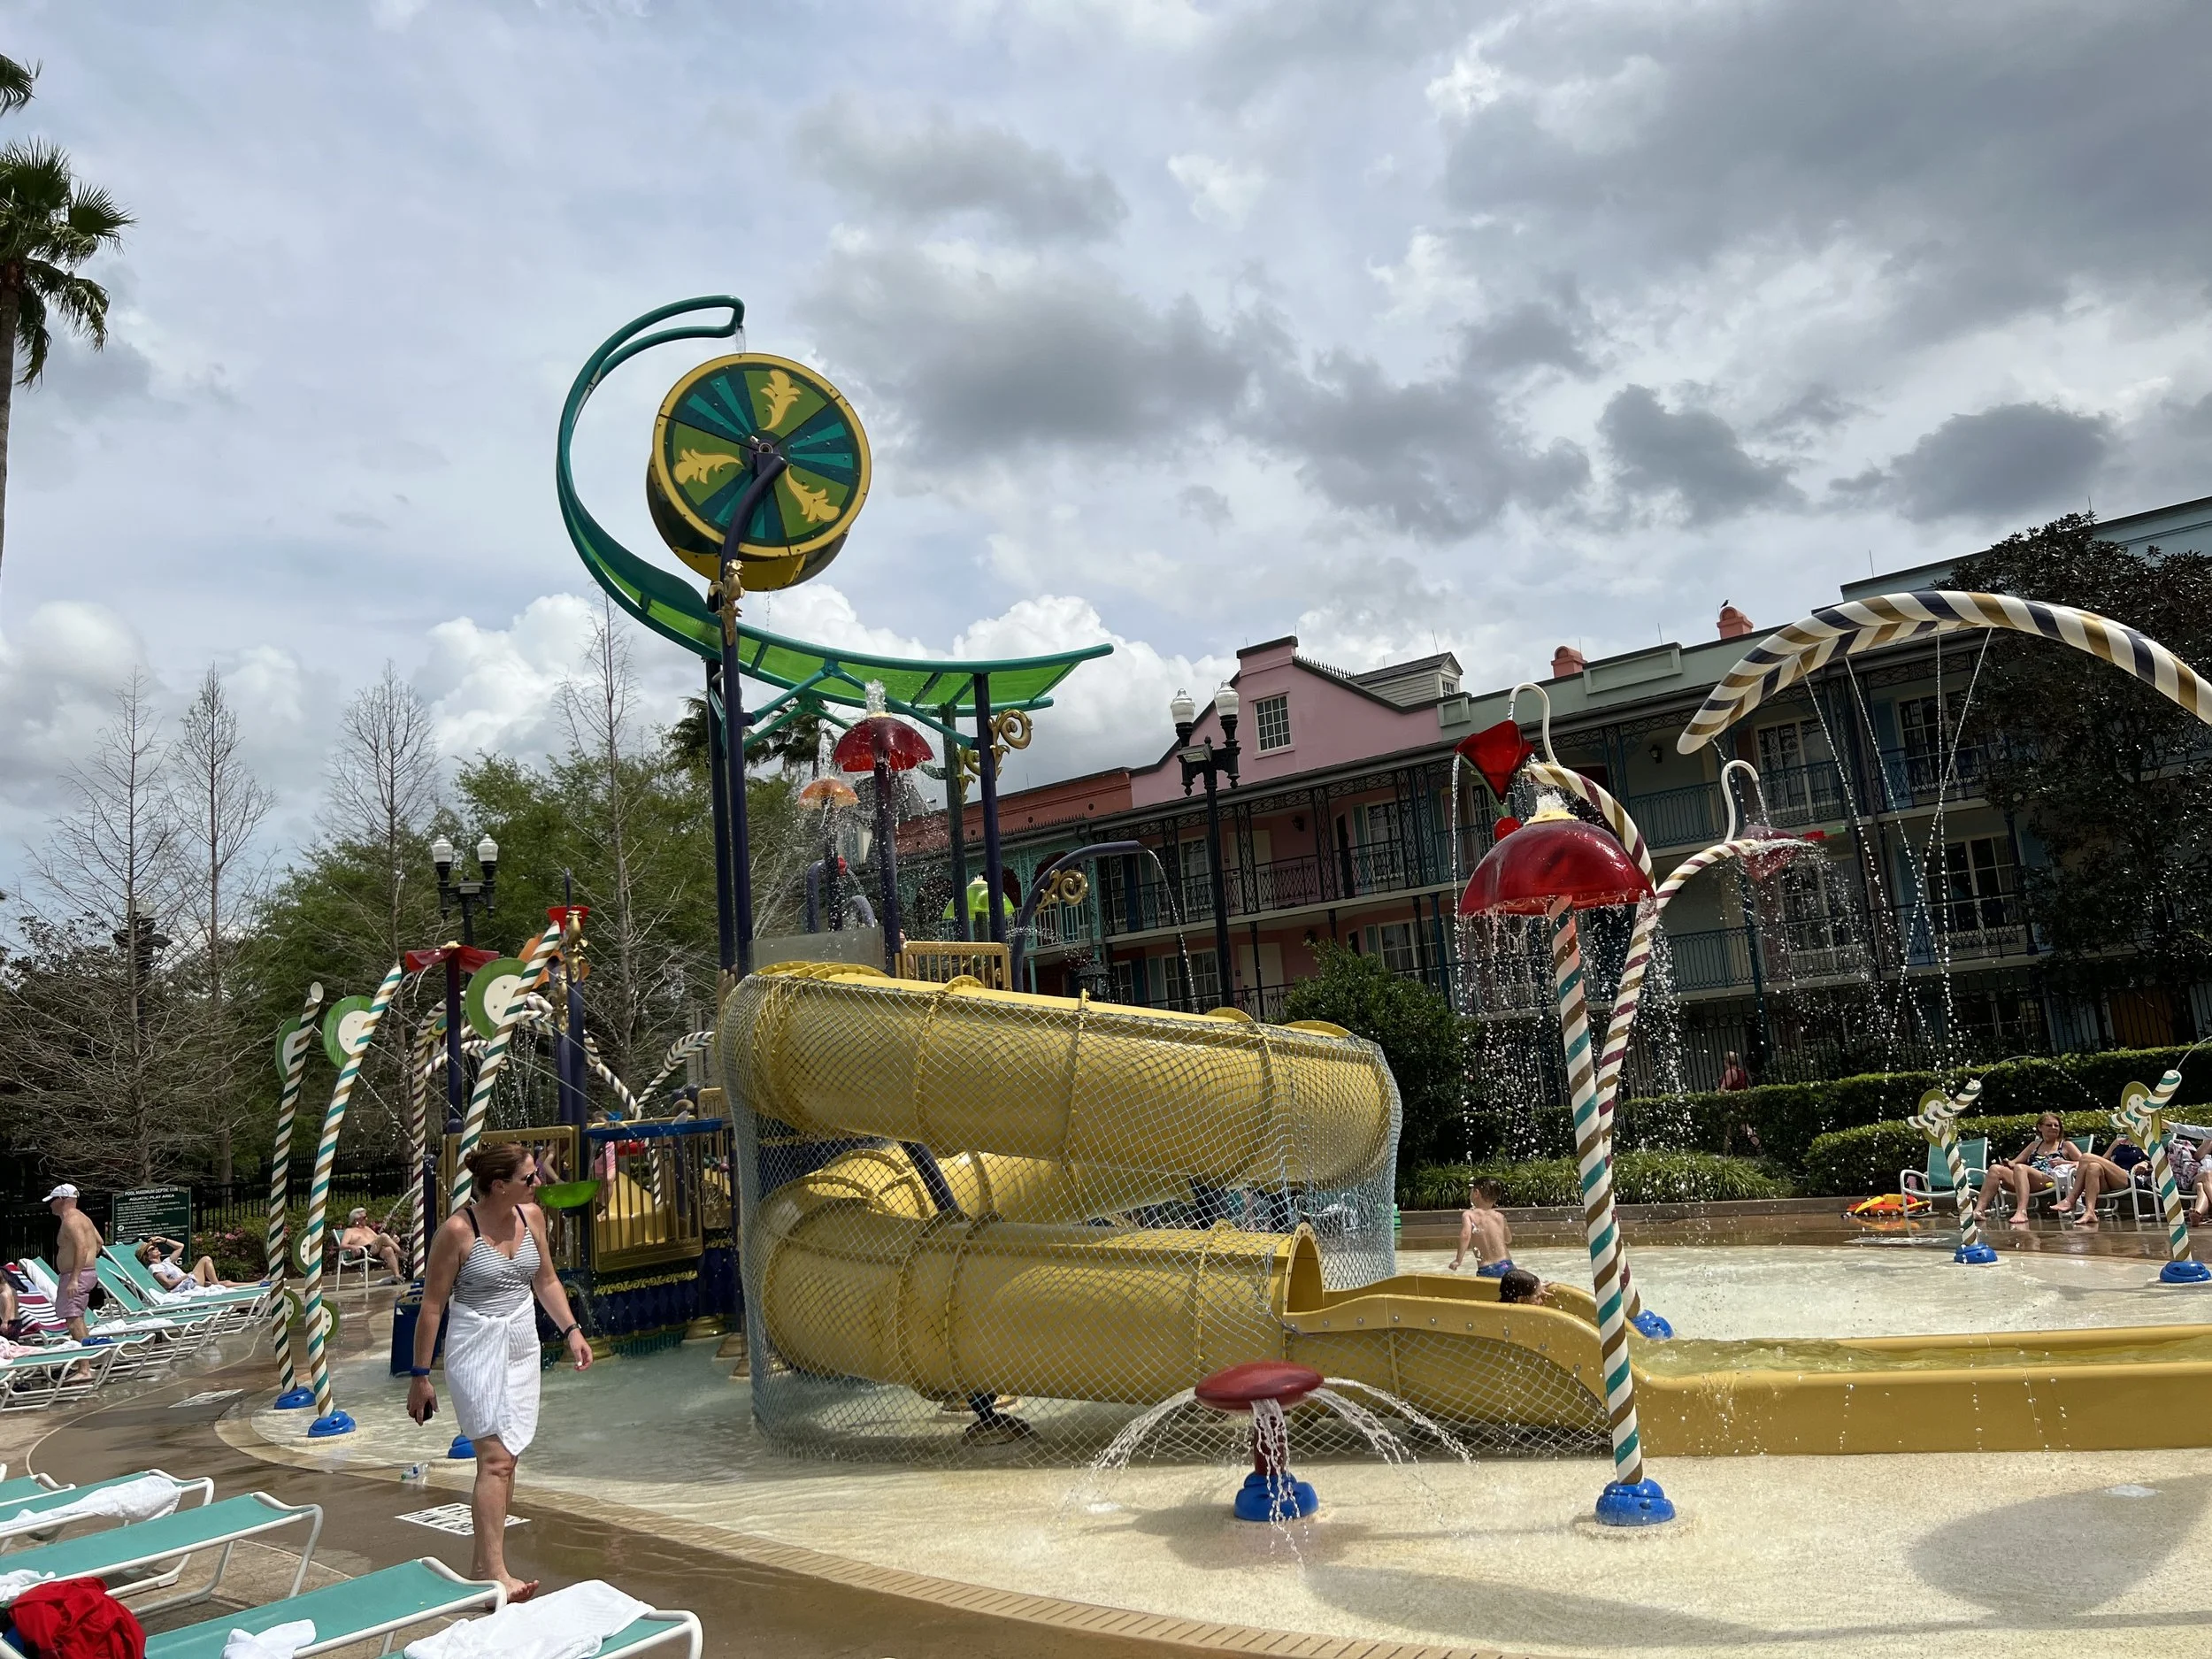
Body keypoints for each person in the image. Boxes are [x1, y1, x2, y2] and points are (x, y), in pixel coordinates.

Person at [409, 1144, 591, 1601]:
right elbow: (432, 1307)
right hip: (475, 1344)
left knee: (510, 1457)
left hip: (521, 1341)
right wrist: (420, 1375)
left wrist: (571, 1330)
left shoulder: (532, 1218)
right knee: (495, 1460)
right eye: (530, 1178)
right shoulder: (456, 1230)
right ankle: (494, 1573)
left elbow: (545, 1280)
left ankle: (480, 1566)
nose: (538, 1184)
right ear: (498, 1185)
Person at [1974, 1112, 2079, 1230]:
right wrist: (2008, 1163)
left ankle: (2021, 1212)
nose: (2054, 1128)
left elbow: (2084, 1162)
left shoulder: (2066, 1145)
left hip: (2049, 1180)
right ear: (2040, 1127)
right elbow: (2015, 1162)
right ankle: (1979, 1211)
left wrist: (2065, 1163)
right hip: (2028, 1181)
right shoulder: (2034, 1145)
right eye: (2049, 1125)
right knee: (1995, 1169)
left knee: (2021, 1168)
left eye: (2057, 1125)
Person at [47, 1185, 104, 1346]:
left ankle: (85, 1367)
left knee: (73, 1320)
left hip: (75, 1276)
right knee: (77, 1318)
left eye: (52, 1200)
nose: (50, 1204)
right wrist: (88, 1263)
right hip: (84, 1273)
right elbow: (99, 1242)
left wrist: (75, 1277)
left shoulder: (71, 1220)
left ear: (61, 1200)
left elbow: (82, 1247)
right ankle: (90, 1359)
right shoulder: (84, 1218)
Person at [1448, 1179, 1513, 1275]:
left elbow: (1466, 1235)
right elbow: (1508, 1239)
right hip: (1508, 1265)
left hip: (1488, 1268)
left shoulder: (1469, 1215)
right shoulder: (1499, 1216)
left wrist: (1458, 1260)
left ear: (1476, 1193)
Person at [338, 1209, 404, 1282]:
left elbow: (378, 1239)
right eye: (364, 1217)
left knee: (388, 1249)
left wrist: (391, 1241)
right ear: (357, 1220)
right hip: (363, 1252)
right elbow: (342, 1246)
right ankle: (402, 1254)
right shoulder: (350, 1231)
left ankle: (397, 1276)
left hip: (374, 1250)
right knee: (383, 1236)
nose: (367, 1219)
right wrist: (352, 1247)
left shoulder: (367, 1228)